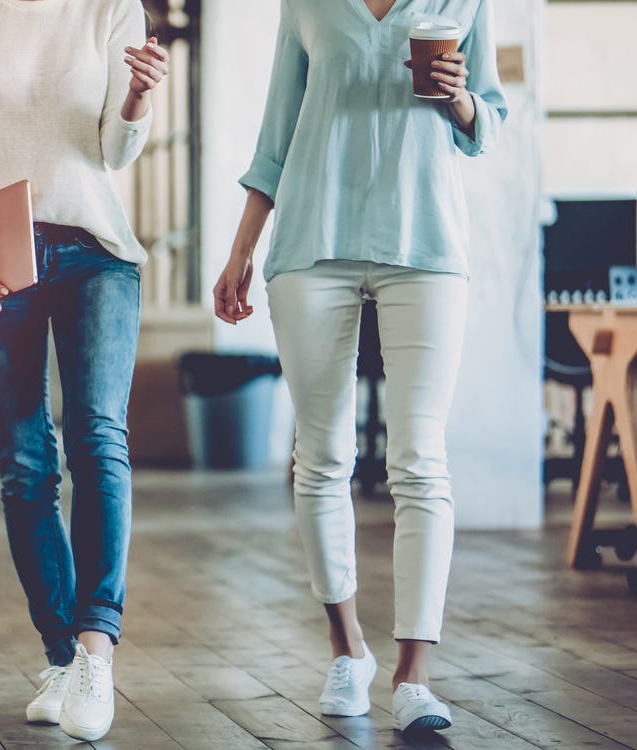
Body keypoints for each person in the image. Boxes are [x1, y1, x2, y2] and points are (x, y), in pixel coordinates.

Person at [213, 0, 507, 735]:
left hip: (427, 243)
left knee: (420, 459)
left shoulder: (460, 3)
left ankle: (415, 676)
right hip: (313, 239)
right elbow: (277, 132)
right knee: (320, 456)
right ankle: (348, 651)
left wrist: (461, 98)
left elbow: (491, 121)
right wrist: (242, 248)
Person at [0, 0, 168, 741]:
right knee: (26, 465)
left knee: (97, 436)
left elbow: (116, 153)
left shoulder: (113, 7)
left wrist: (139, 97)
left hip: (97, 253)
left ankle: (95, 647)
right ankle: (59, 655)